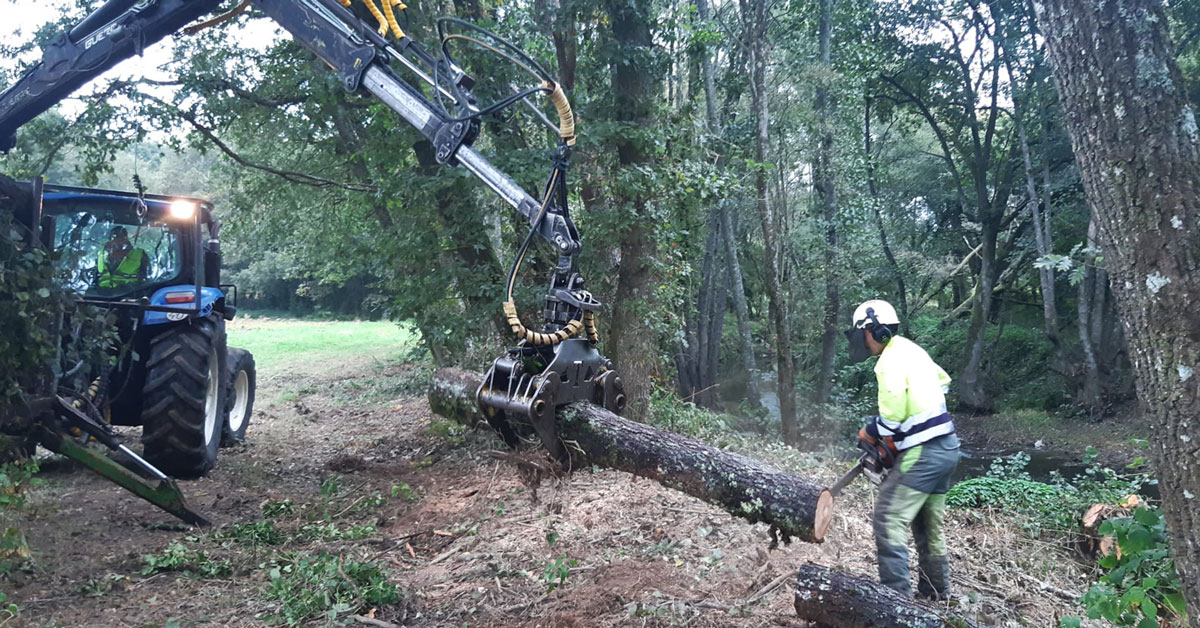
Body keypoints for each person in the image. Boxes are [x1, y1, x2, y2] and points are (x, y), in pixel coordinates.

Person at [844, 298, 960, 600]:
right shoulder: (911, 349)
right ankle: (936, 594)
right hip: (947, 447)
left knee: (887, 516)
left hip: (925, 453)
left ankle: (895, 602)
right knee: (927, 525)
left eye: (862, 334)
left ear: (871, 330)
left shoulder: (889, 361)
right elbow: (943, 381)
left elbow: (892, 418)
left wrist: (871, 432)